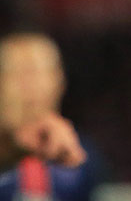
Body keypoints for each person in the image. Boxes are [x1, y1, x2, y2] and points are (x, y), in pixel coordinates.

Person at [0, 33, 95, 201]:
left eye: (39, 71)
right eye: (15, 72)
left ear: (60, 80)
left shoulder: (83, 158)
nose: (29, 84)